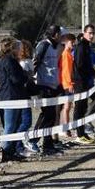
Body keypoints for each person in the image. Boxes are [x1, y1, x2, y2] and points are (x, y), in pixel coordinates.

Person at [0, 38, 37, 162]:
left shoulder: (9, 61)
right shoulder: (9, 61)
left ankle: (11, 150)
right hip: (10, 97)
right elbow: (16, 79)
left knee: (14, 125)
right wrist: (26, 75)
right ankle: (5, 151)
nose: (20, 49)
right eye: (18, 47)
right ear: (11, 48)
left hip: (13, 96)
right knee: (10, 126)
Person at [33, 26, 63, 155]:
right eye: (60, 34)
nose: (61, 37)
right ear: (55, 34)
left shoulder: (55, 47)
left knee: (51, 116)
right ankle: (34, 140)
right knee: (47, 114)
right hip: (44, 86)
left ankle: (48, 144)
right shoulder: (43, 45)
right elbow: (36, 62)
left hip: (53, 85)